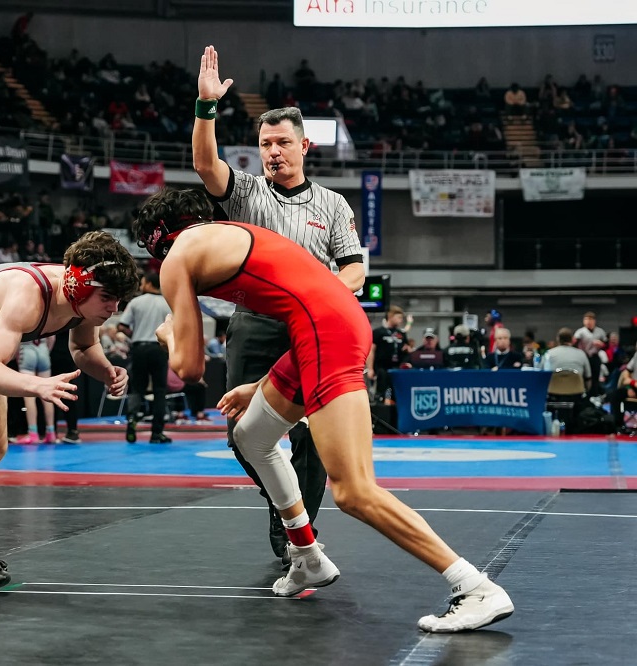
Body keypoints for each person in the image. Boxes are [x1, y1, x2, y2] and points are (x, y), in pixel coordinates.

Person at [134, 187, 513, 633]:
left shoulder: (179, 255)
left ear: (158, 241)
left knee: (353, 491)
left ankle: (474, 587)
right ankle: (306, 556)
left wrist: (168, 337)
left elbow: (190, 368)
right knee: (251, 435)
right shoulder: (231, 233)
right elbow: (307, 296)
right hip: (323, 325)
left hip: (323, 333)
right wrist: (259, 386)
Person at [192, 45, 366, 564]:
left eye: (283, 143)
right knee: (240, 434)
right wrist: (206, 107)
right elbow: (205, 163)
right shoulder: (246, 192)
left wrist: (332, 289)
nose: (274, 152)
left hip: (310, 324)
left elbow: (355, 268)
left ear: (304, 145)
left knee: (313, 438)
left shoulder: (333, 204)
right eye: (266, 143)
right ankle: (282, 507)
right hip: (254, 321)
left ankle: (300, 530)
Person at [0, 231, 138, 591]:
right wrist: (37, 385)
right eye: (108, 298)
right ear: (78, 287)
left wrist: (106, 369)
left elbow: (82, 349)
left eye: (119, 300)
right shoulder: (28, 293)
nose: (114, 309)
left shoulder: (84, 307)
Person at [118, 272, 173, 444]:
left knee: (137, 389)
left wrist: (136, 334)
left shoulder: (136, 302)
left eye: (142, 283)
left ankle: (132, 422)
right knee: (159, 390)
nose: (141, 286)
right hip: (159, 349)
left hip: (139, 348)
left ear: (149, 283)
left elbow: (122, 325)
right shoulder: (167, 304)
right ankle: (157, 433)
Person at [15, 338, 58, 444]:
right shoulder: (45, 320)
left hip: (26, 349)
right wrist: (47, 350)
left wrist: (16, 354)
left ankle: (33, 433)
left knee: (29, 397)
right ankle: (51, 432)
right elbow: (52, 337)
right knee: (48, 393)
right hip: (43, 349)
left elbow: (16, 336)